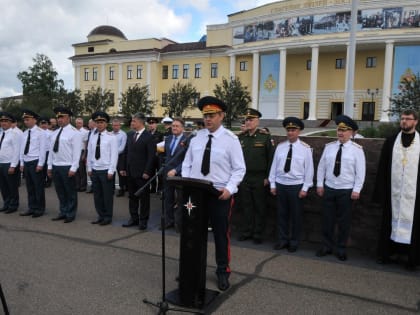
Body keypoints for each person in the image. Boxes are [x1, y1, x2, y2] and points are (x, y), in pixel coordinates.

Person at [182, 96, 246, 291]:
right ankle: (192, 269)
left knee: (220, 234)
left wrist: (229, 189)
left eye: (212, 115)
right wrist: (187, 182)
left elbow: (239, 169)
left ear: (221, 116)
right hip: (196, 193)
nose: (208, 119)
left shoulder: (231, 140)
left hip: (219, 193)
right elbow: (187, 163)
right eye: (205, 115)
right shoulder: (196, 137)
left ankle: (222, 271)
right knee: (193, 232)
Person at [316, 115, 366, 261]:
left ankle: (341, 248)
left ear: (351, 132)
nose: (340, 133)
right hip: (329, 188)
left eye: (344, 130)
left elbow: (361, 171)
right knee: (327, 220)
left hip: (346, 190)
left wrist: (357, 189)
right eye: (339, 130)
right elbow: (322, 167)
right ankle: (326, 246)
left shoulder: (357, 150)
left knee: (344, 222)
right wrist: (320, 184)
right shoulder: (329, 147)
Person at [375, 109, 420, 270]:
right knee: (389, 223)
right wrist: (380, 193)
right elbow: (382, 167)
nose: (404, 121)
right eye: (402, 118)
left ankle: (411, 259)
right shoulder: (391, 140)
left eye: (408, 119)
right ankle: (387, 254)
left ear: (415, 121)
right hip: (393, 193)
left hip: (414, 195)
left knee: (413, 227)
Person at [269, 117, 314, 252]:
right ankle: (283, 240)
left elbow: (309, 170)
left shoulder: (305, 149)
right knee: (282, 215)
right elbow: (274, 166)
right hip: (281, 184)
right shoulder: (280, 147)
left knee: (296, 216)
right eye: (288, 130)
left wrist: (305, 188)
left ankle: (294, 242)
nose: (290, 133)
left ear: (299, 131)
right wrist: (272, 184)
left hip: (296, 186)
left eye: (293, 130)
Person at [238, 108, 274, 244]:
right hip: (245, 177)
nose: (248, 122)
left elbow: (271, 158)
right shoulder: (241, 137)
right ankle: (247, 231)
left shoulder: (265, 137)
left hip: (260, 178)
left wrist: (268, 177)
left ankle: (258, 233)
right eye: (246, 120)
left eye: (251, 119)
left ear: (257, 121)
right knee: (246, 206)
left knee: (260, 207)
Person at [120, 113, 156, 230]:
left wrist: (147, 171)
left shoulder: (149, 137)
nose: (131, 123)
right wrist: (123, 168)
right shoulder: (130, 135)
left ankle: (143, 220)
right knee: (132, 197)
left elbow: (151, 157)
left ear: (140, 122)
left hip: (142, 174)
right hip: (130, 172)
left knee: (144, 198)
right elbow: (126, 153)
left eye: (134, 121)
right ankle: (134, 218)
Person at [48, 107, 82, 223]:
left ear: (68, 118)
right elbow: (51, 151)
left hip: (67, 166)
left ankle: (70, 213)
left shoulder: (74, 133)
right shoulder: (55, 133)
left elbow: (77, 153)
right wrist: (49, 166)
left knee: (70, 192)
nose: (60, 120)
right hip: (56, 165)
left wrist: (74, 168)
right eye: (58, 117)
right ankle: (63, 211)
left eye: (62, 117)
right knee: (60, 191)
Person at [87, 112, 118, 226]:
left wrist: (111, 170)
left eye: (102, 122)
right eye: (97, 122)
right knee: (97, 195)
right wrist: (89, 168)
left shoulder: (111, 137)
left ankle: (107, 216)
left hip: (106, 170)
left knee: (107, 196)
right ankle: (100, 215)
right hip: (95, 169)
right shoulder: (93, 136)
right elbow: (90, 153)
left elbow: (114, 155)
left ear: (106, 124)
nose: (99, 124)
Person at [19, 109, 47, 218]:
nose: (25, 122)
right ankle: (32, 207)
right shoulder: (25, 133)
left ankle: (39, 208)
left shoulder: (41, 133)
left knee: (38, 186)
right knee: (29, 187)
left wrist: (40, 164)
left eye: (28, 119)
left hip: (35, 161)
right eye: (25, 120)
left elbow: (42, 150)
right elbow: (22, 149)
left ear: (34, 120)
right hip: (26, 162)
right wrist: (21, 162)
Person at [163, 118, 188, 230]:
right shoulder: (167, 139)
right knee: (168, 198)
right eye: (173, 126)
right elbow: (165, 156)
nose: (174, 128)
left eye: (177, 126)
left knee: (180, 199)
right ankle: (169, 221)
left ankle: (179, 223)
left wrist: (176, 170)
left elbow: (188, 160)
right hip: (167, 173)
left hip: (180, 174)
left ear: (182, 128)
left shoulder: (187, 140)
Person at [0, 112, 21, 214]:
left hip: (9, 163)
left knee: (11, 186)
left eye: (6, 121)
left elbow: (17, 151)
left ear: (10, 122)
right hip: (1, 163)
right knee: (3, 186)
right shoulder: (0, 134)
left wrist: (13, 165)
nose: (3, 123)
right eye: (2, 121)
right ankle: (6, 203)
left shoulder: (14, 134)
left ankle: (13, 205)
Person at [112, 118, 128, 197]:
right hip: (111, 157)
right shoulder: (110, 134)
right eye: (114, 125)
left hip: (120, 156)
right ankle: (111, 189)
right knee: (111, 172)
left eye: (117, 125)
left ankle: (122, 189)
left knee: (121, 174)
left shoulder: (123, 134)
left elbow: (122, 148)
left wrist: (112, 153)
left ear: (119, 126)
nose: (115, 127)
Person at [147, 117, 163, 194]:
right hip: (150, 158)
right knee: (151, 173)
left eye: (153, 123)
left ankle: (159, 189)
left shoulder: (160, 134)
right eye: (150, 124)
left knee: (159, 174)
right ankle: (152, 188)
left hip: (158, 157)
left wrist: (158, 153)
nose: (151, 125)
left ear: (156, 125)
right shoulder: (147, 134)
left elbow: (161, 147)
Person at [74, 117, 89, 192]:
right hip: (74, 152)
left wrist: (84, 155)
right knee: (75, 169)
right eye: (77, 123)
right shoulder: (73, 131)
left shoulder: (85, 132)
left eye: (80, 123)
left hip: (81, 152)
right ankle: (77, 185)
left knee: (81, 170)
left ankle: (83, 186)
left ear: (82, 123)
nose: (78, 124)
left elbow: (86, 144)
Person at [38, 117, 53, 187]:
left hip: (48, 152)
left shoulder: (51, 133)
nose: (43, 125)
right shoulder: (38, 133)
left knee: (48, 167)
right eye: (42, 123)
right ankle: (42, 181)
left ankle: (49, 181)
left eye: (45, 124)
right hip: (39, 152)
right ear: (39, 124)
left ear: (48, 124)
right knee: (41, 167)